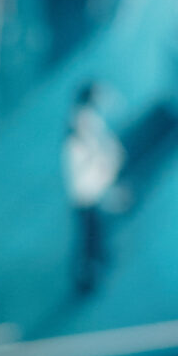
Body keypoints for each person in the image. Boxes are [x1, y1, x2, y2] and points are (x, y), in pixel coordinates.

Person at [63, 81, 125, 294]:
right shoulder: (76, 141)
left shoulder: (88, 121)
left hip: (92, 195)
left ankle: (96, 264)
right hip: (87, 199)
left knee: (93, 236)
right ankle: (86, 276)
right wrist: (106, 174)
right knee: (88, 239)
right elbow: (84, 178)